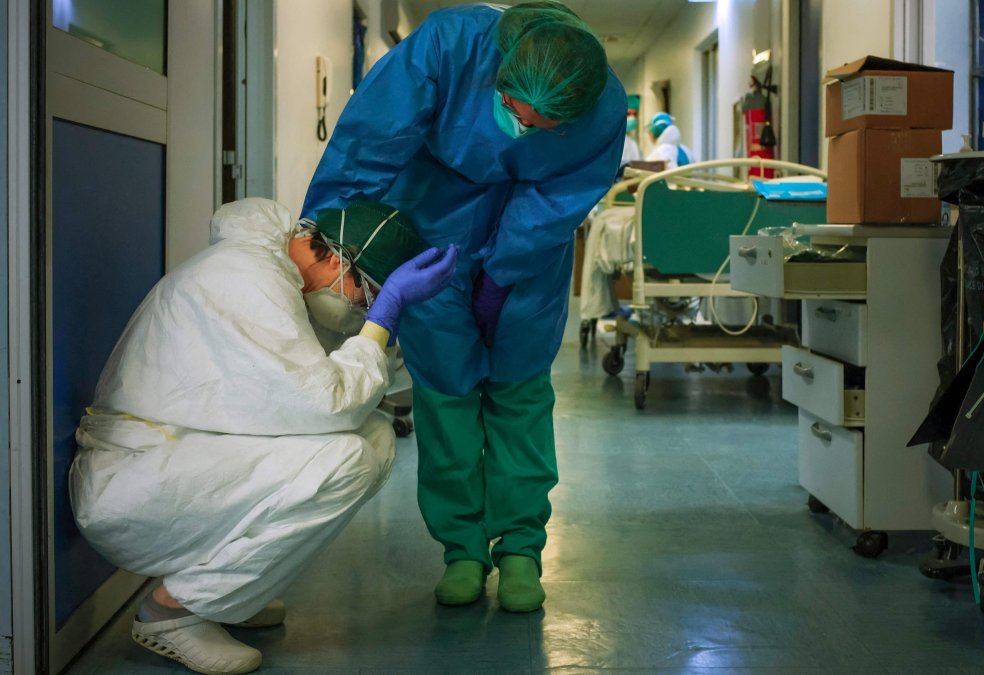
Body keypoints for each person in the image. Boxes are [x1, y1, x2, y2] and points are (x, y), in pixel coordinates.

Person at [302, 1, 625, 614]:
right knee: (446, 389)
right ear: (499, 78)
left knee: (519, 385)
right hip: (432, 212)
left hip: (532, 240)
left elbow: (560, 197)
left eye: (543, 128)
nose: (522, 131)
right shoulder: (453, 43)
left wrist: (503, 273)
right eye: (513, 113)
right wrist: (330, 230)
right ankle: (463, 549)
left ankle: (523, 548)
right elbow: (373, 136)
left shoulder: (602, 104)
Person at [69, 198, 457, 675]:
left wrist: (381, 324)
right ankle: (171, 612)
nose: (364, 309)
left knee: (372, 435)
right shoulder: (248, 281)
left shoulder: (278, 276)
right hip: (129, 482)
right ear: (337, 259)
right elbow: (328, 403)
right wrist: (384, 318)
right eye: (367, 294)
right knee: (348, 458)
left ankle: (224, 591)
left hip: (174, 455)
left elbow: (330, 386)